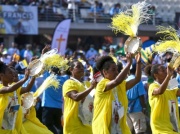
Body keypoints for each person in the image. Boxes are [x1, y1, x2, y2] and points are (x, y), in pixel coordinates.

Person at [92, 53, 142, 134]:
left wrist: (138, 63)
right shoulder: (101, 84)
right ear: (105, 72)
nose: (116, 72)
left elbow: (137, 79)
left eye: (117, 70)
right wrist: (129, 63)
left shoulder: (121, 85)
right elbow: (116, 81)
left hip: (118, 127)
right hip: (104, 128)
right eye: (113, 70)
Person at [62, 59, 96, 134]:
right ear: (71, 69)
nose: (81, 68)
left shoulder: (86, 84)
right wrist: (91, 88)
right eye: (78, 67)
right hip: (74, 124)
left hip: (87, 124)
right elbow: (75, 97)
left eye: (82, 67)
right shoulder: (69, 83)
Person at [146, 64, 180, 133]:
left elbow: (178, 93)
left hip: (172, 124)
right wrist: (168, 76)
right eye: (163, 70)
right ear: (156, 75)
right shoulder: (152, 86)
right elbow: (160, 91)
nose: (166, 72)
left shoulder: (171, 82)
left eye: (166, 70)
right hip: (160, 126)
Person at [0, 62, 30, 133]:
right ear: (2, 75)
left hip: (11, 126)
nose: (13, 75)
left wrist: (34, 76)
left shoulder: (14, 88)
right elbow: (9, 89)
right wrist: (25, 79)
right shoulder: (1, 88)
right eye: (10, 73)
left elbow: (26, 89)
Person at [41, 67, 69, 134]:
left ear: (51, 70)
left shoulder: (47, 77)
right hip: (59, 106)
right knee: (59, 125)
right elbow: (66, 72)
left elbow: (42, 67)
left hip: (48, 106)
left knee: (47, 124)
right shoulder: (64, 78)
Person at [126, 62, 147, 134]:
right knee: (140, 130)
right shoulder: (138, 81)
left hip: (127, 109)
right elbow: (141, 95)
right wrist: (144, 107)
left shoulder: (125, 80)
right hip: (137, 109)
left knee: (128, 130)